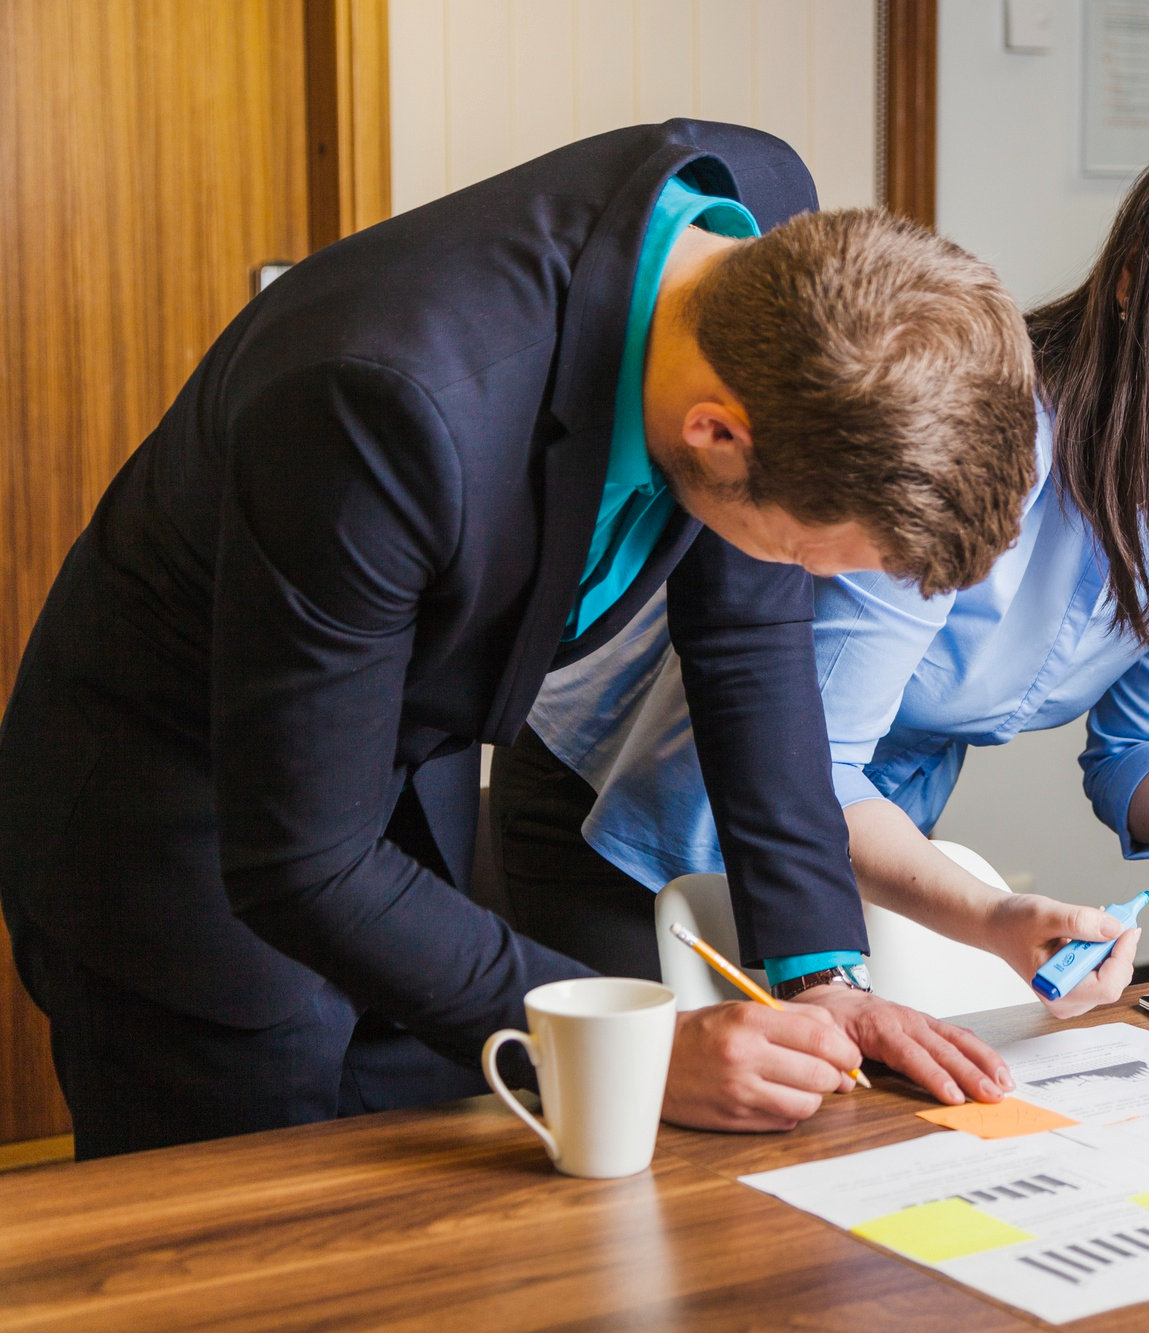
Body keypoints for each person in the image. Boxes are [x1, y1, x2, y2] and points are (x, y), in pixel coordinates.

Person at [0, 118, 1038, 1157]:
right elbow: (304, 860)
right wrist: (639, 1040)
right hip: (177, 819)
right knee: (252, 1252)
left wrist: (821, 974)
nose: (810, 585)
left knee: (443, 1205)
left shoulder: (762, 244)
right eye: (815, 556)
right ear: (716, 432)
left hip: (404, 793)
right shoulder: (384, 399)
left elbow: (746, 640)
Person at [495, 104, 1149, 1019]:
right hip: (639, 821)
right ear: (1137, 281)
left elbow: (1134, 761)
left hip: (853, 854)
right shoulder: (973, 439)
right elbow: (810, 764)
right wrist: (989, 914)